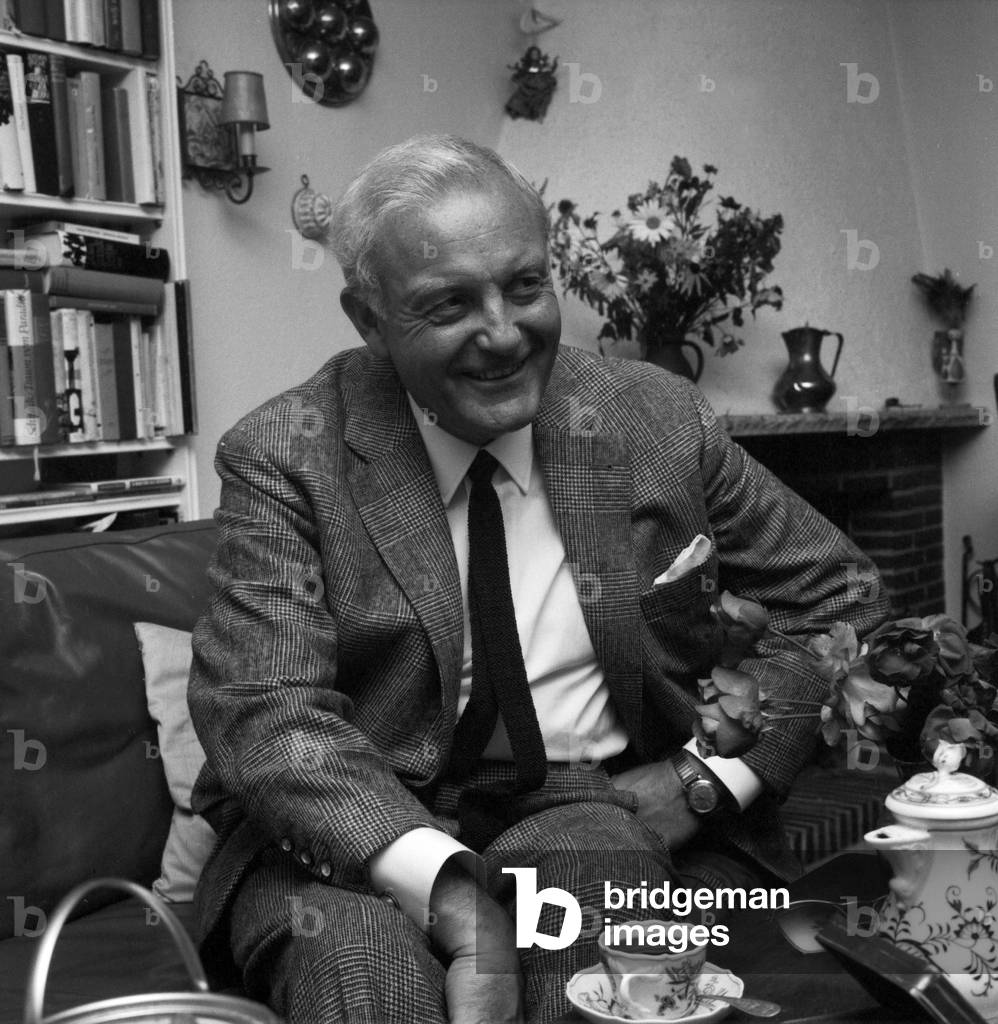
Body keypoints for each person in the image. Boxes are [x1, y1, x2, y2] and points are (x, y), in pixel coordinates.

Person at [187, 134, 888, 1024]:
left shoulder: (654, 420)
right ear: (368, 319)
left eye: (525, 285)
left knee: (605, 915)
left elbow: (839, 596)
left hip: (582, 803)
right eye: (449, 304)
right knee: (361, 970)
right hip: (352, 826)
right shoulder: (284, 455)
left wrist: (708, 774)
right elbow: (264, 710)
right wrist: (449, 893)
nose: (504, 333)